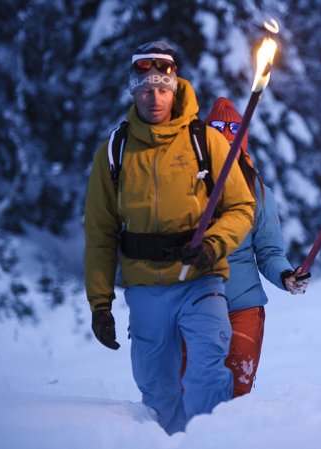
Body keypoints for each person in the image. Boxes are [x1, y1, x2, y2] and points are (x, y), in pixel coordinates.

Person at [84, 42, 255, 435]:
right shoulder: (115, 150)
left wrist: (213, 244)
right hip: (145, 286)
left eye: (162, 88)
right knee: (157, 388)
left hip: (201, 279)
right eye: (145, 89)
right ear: (133, 92)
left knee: (208, 366)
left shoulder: (206, 142)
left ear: (175, 87)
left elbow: (241, 207)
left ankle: (210, 441)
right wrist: (99, 304)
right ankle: (170, 442)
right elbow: (99, 233)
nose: (154, 97)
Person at [179, 97, 310, 397]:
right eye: (217, 142)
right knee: (189, 393)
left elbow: (269, 253)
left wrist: (286, 276)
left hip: (243, 307)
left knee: (236, 394)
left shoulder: (259, 192)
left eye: (232, 142)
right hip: (193, 305)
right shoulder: (185, 187)